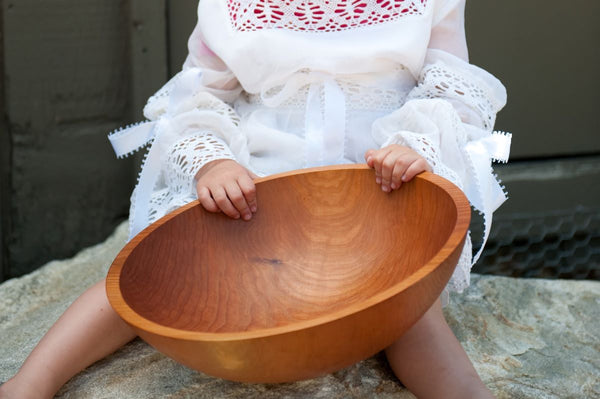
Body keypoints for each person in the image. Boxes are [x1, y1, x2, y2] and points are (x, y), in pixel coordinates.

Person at [0, 0, 511, 397]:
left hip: (375, 197)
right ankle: (30, 384)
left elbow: (453, 85)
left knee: (413, 315)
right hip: (262, 194)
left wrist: (413, 145)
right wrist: (213, 161)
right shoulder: (236, 8)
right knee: (146, 279)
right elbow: (199, 95)